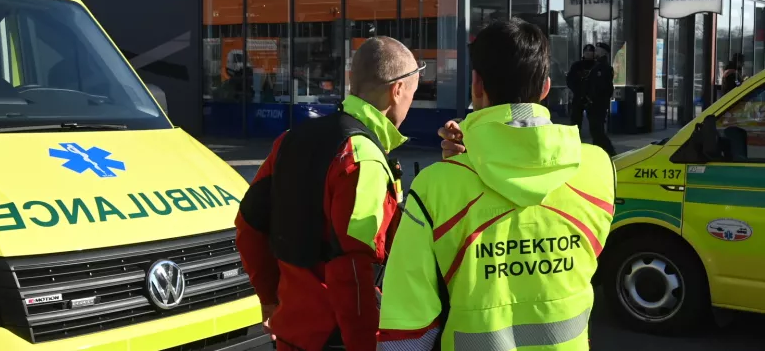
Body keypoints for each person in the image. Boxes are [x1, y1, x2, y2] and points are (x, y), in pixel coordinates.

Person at [378, 18, 616, 351]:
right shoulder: (597, 168)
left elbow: (408, 329)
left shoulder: (435, 186)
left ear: (476, 85)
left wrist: (472, 151)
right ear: (545, 88)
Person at [235, 37, 423, 351]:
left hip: (292, 332)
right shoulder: (362, 157)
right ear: (398, 89)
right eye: (413, 94)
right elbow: (352, 267)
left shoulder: (290, 139)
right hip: (338, 336)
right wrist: (364, 344)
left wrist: (269, 298)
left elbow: (249, 226)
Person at [566, 43, 616, 156]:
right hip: (581, 99)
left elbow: (603, 87)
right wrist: (580, 92)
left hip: (595, 103)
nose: (590, 53)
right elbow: (571, 81)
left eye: (593, 51)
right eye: (586, 51)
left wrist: (591, 98)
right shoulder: (578, 66)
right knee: (577, 126)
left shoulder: (601, 67)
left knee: (597, 130)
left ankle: (609, 152)